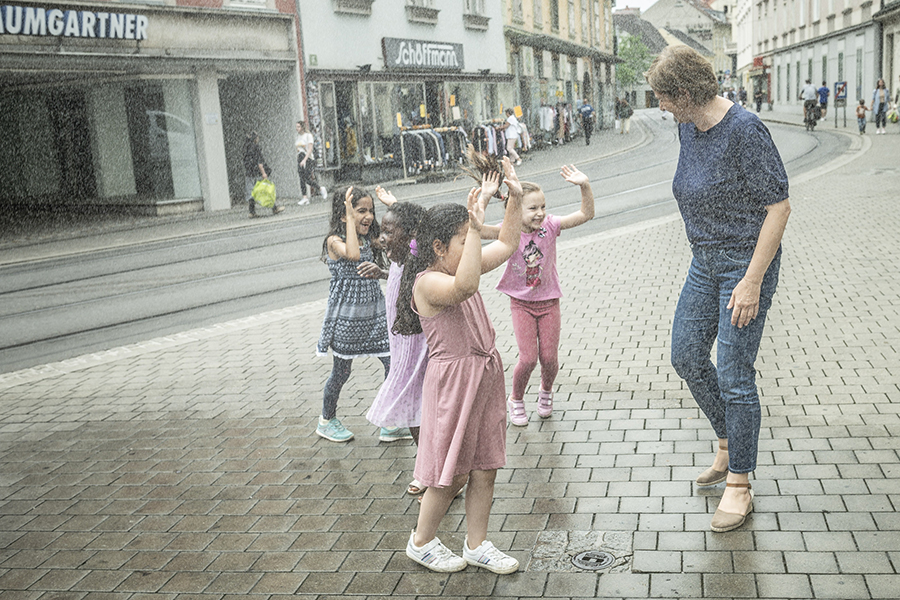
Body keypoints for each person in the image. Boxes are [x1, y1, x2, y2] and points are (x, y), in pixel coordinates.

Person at [645, 45, 791, 533]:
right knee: (686, 355)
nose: (661, 107)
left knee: (732, 371)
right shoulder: (688, 127)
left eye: (664, 98)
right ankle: (729, 443)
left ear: (685, 93)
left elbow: (779, 208)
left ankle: (741, 483)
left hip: (744, 267)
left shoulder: (745, 130)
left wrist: (751, 281)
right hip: (703, 262)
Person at [394, 159, 523, 574]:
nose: (473, 245)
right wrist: (476, 221)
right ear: (437, 248)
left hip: (484, 374)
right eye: (464, 239)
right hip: (453, 382)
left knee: (485, 463)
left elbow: (505, 244)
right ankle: (422, 540)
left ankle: (477, 543)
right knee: (448, 472)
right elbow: (466, 285)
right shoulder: (428, 282)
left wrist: (514, 200)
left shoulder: (458, 263)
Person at [480, 166, 595, 426]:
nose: (540, 213)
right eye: (532, 208)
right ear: (515, 209)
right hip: (520, 304)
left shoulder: (551, 226)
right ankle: (516, 398)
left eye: (542, 206)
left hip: (549, 302)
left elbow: (587, 214)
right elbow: (475, 228)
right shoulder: (506, 231)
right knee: (529, 358)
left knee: (550, 359)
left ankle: (546, 391)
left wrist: (584, 185)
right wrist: (485, 197)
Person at [315, 187, 390, 442]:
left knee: (393, 364)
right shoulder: (334, 242)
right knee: (341, 372)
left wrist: (392, 206)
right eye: (361, 211)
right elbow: (353, 254)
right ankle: (326, 420)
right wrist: (348, 216)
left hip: (375, 316)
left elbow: (406, 234)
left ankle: (390, 420)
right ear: (345, 215)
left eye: (371, 211)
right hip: (347, 320)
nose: (368, 216)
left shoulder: (370, 239)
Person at [365, 187, 426, 445]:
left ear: (411, 235)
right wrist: (382, 273)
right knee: (411, 404)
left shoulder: (414, 253)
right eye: (382, 231)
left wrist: (400, 206)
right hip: (400, 343)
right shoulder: (399, 259)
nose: (381, 238)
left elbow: (423, 227)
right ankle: (427, 466)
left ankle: (430, 467)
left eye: (388, 232)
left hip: (414, 346)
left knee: (415, 401)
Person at [243, 131, 284, 218]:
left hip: (249, 173)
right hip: (257, 173)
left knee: (251, 192)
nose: (258, 139)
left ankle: (252, 212)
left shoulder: (245, 148)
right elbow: (259, 162)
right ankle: (274, 208)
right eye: (257, 137)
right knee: (265, 190)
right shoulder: (256, 147)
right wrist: (264, 173)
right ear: (255, 138)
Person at [295, 121, 327, 206]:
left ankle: (320, 188)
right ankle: (305, 197)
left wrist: (305, 160)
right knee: (301, 178)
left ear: (302, 127)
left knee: (307, 178)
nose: (296, 128)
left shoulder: (308, 136)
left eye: (298, 127)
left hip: (308, 158)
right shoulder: (298, 136)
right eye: (296, 127)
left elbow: (310, 149)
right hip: (300, 157)